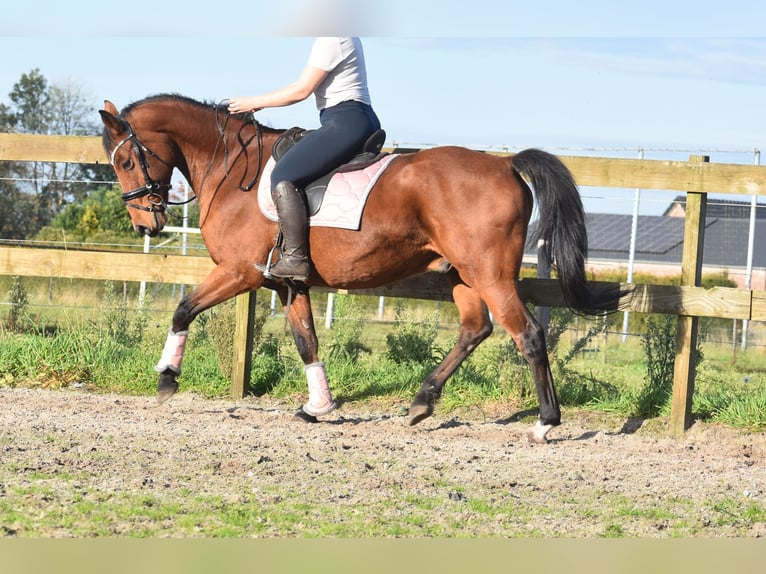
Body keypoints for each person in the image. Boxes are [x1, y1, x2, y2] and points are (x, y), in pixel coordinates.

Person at [228, 37, 381, 282]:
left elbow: (301, 90)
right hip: (352, 118)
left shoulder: (333, 37)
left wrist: (254, 103)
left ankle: (295, 259)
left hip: (346, 121)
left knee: (282, 175)